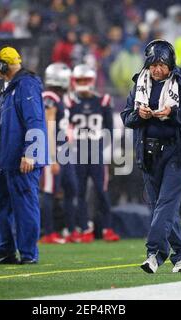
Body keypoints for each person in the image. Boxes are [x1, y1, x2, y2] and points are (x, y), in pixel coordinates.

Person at [121, 39, 181, 274]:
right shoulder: (140, 82)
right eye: (153, 64)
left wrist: (173, 112)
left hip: (178, 151)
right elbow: (126, 117)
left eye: (161, 64)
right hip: (149, 151)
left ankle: (154, 254)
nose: (157, 69)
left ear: (171, 63)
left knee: (166, 203)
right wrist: (139, 114)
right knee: (161, 206)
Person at [0, 46, 47, 264]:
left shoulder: (25, 85)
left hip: (22, 160)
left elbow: (35, 120)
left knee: (25, 207)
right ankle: (5, 251)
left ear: (3, 65)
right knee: (2, 207)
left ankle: (28, 254)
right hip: (6, 159)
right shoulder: (11, 87)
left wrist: (30, 153)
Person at [67, 64, 120, 243]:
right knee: (80, 192)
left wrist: (105, 149)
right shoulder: (70, 103)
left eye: (85, 80)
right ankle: (84, 227)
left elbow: (109, 129)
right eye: (79, 80)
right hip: (77, 153)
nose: (82, 83)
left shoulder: (103, 101)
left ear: (92, 81)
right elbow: (65, 130)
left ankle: (107, 228)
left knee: (101, 191)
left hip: (96, 153)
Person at [39, 62, 78, 244]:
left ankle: (69, 229)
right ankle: (48, 232)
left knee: (71, 188)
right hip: (52, 150)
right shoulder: (49, 97)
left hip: (64, 150)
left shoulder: (60, 97)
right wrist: (52, 157)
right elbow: (49, 128)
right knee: (49, 191)